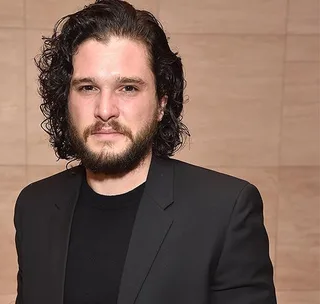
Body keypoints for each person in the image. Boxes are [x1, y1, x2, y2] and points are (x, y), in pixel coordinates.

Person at [14, 0, 277, 303]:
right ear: (66, 99)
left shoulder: (226, 210)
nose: (104, 110)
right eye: (88, 87)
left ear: (161, 104)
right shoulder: (34, 206)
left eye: (127, 88)